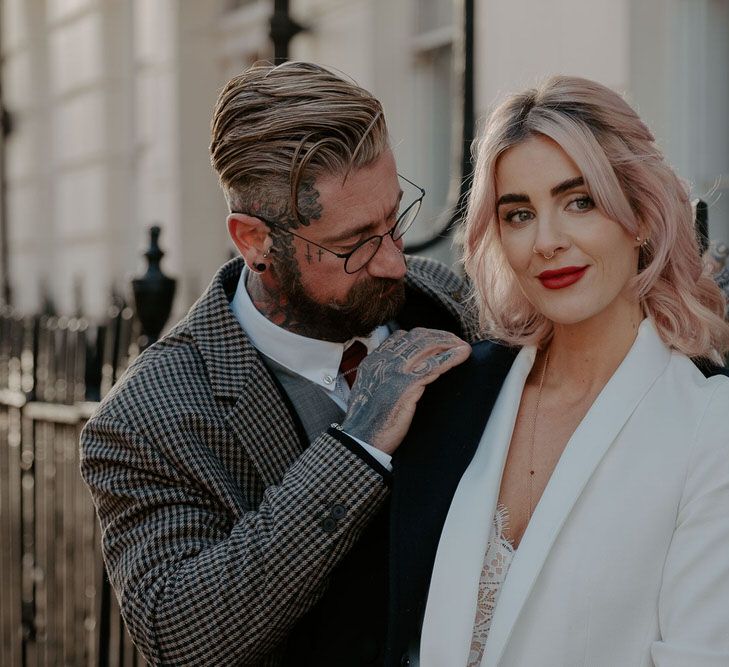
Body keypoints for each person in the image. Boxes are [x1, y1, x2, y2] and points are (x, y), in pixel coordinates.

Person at [79, 61, 489, 666]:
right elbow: (183, 639)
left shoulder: (450, 302)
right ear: (252, 240)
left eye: (394, 219)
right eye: (354, 245)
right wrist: (360, 441)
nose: (394, 264)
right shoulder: (144, 420)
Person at [386, 76, 729, 667]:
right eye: (518, 214)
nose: (546, 241)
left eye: (580, 201)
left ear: (642, 214)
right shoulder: (460, 395)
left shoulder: (708, 427)